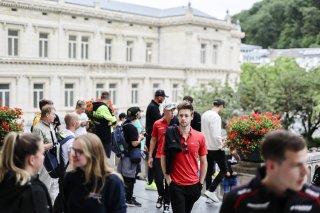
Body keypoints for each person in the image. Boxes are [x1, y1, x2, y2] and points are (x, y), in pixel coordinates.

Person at [220, 130, 320, 213]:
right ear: (271, 166)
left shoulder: (316, 199)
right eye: (296, 165)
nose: (305, 172)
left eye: (304, 163)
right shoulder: (236, 200)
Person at [161, 101, 208, 213]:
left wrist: (200, 183)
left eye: (186, 115)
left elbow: (203, 161)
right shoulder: (170, 133)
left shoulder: (200, 136)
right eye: (181, 115)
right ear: (177, 116)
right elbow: (163, 157)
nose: (183, 118)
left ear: (192, 116)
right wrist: (167, 178)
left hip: (194, 185)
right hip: (176, 185)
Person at [63, 133, 126, 213]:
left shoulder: (112, 182)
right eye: (73, 149)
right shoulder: (69, 177)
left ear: (93, 154)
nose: (74, 154)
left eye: (79, 151)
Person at [0, 132, 52, 213]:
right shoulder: (34, 192)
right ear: (32, 160)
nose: (43, 157)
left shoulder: (5, 180)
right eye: (42, 153)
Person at [148, 103, 176, 213]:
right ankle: (161, 195)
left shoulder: (177, 122)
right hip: (159, 155)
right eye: (170, 110)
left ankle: (167, 204)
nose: (172, 112)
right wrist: (150, 156)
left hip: (172, 157)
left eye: (173, 110)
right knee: (159, 180)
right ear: (164, 111)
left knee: (168, 181)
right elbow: (153, 140)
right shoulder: (157, 123)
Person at [117, 107, 144, 207]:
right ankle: (128, 199)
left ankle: (125, 196)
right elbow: (134, 143)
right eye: (139, 113)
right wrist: (141, 137)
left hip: (125, 154)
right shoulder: (131, 127)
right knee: (130, 178)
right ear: (136, 115)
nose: (140, 114)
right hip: (130, 155)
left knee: (124, 176)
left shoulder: (125, 124)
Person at [32, 104, 59, 204]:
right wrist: (54, 144)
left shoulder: (51, 126)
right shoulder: (38, 128)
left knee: (54, 186)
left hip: (53, 160)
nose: (55, 116)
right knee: (45, 186)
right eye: (53, 114)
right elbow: (37, 147)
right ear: (47, 115)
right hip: (44, 162)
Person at [202, 98, 227, 203]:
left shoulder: (205, 114)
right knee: (224, 169)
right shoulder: (216, 117)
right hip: (215, 148)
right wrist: (221, 145)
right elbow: (216, 135)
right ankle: (211, 190)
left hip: (206, 147)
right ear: (221, 106)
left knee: (209, 171)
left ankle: (209, 196)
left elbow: (205, 132)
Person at [145, 89, 167, 190]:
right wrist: (165, 114)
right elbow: (160, 121)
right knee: (152, 158)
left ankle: (151, 181)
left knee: (152, 158)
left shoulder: (153, 106)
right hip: (152, 137)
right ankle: (150, 182)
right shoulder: (153, 107)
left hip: (151, 136)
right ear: (158, 97)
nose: (163, 99)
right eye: (163, 97)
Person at [92, 91, 117, 158]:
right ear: (108, 99)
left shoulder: (96, 106)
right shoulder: (103, 107)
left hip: (99, 132)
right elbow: (113, 120)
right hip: (105, 134)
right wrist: (113, 118)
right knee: (106, 156)